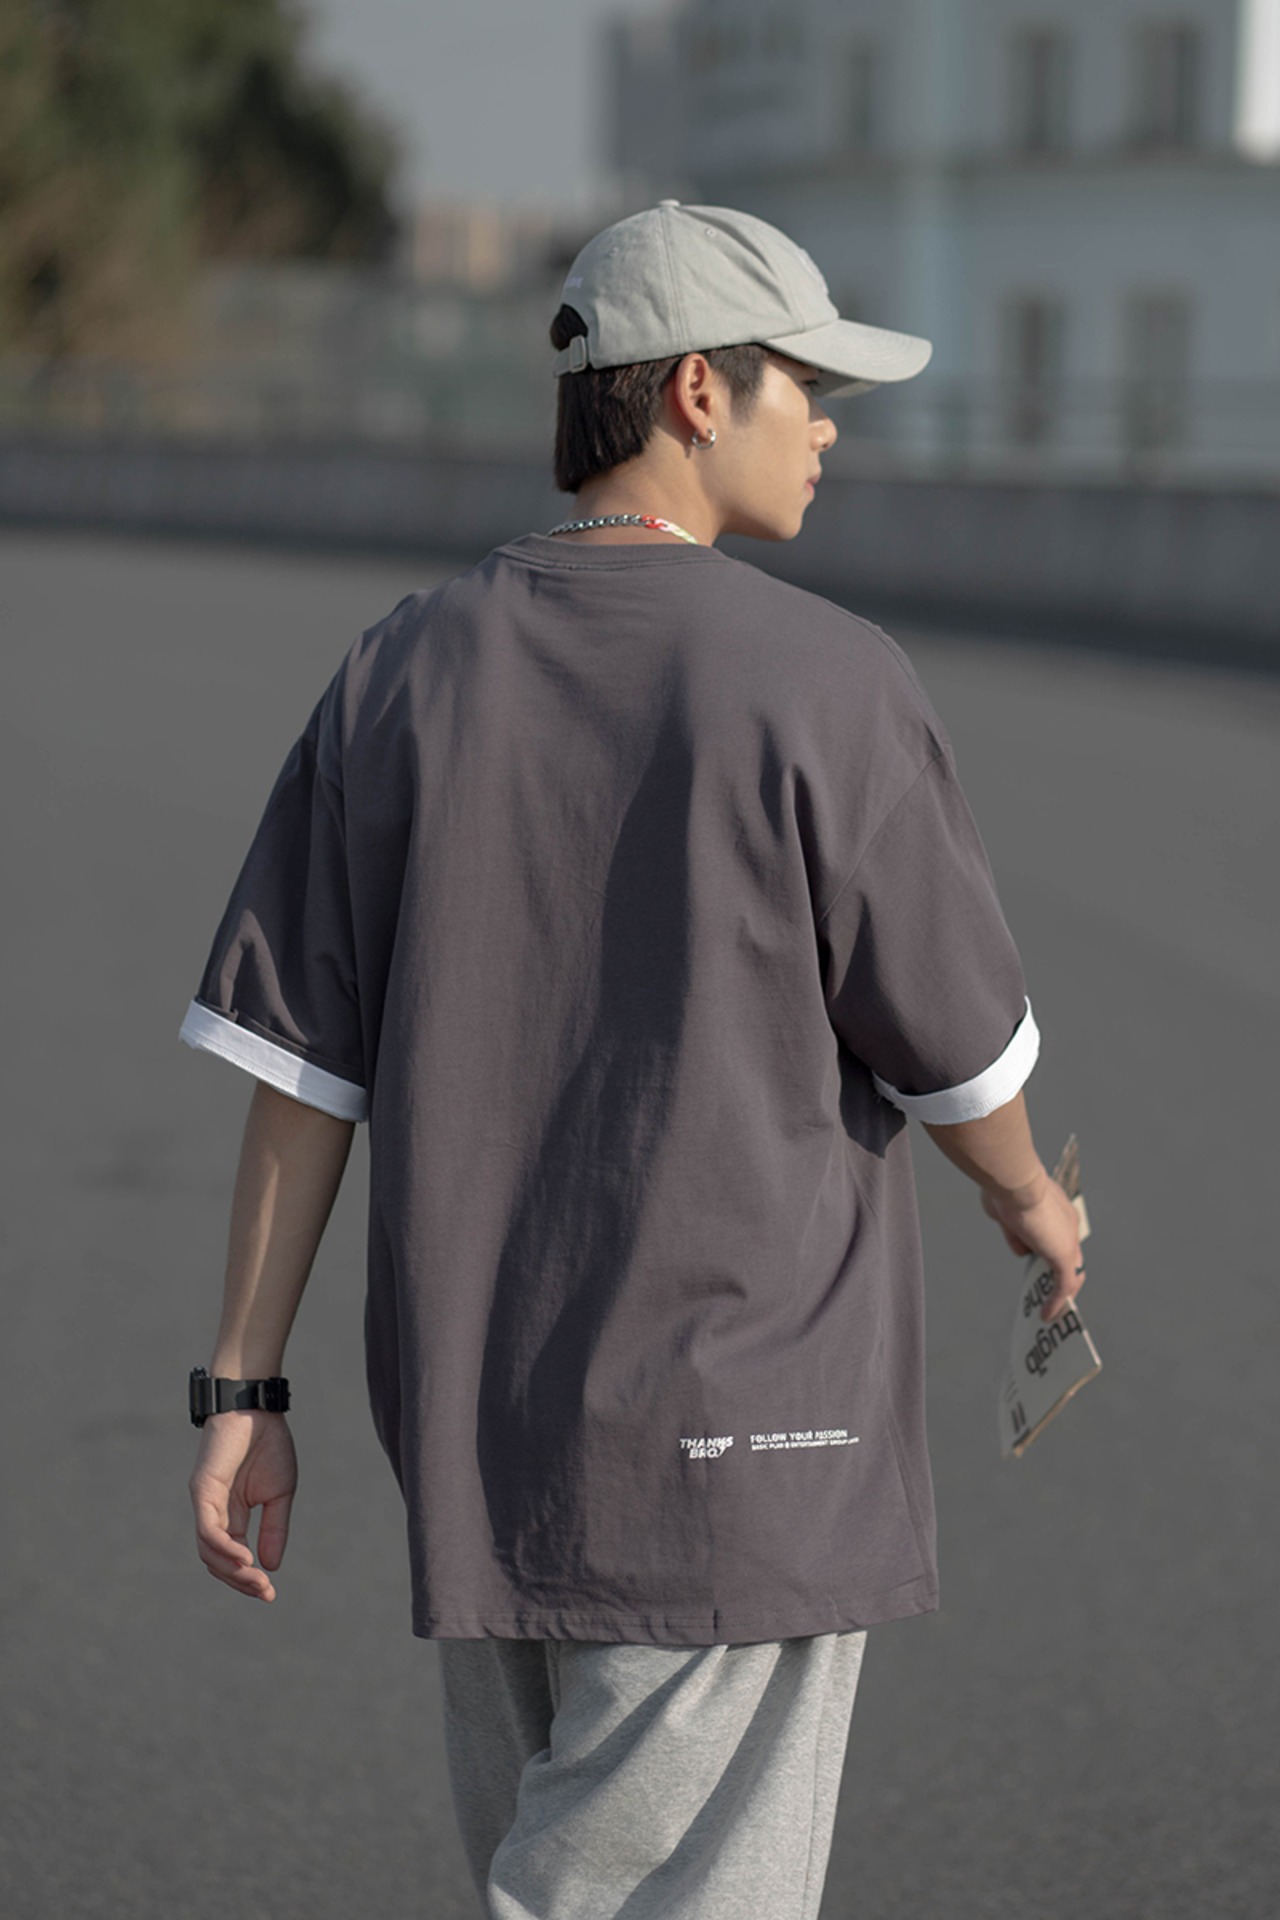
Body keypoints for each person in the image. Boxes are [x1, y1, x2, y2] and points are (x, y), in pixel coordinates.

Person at [182, 201, 1084, 1920]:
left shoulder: (397, 672)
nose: (828, 428)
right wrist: (1034, 1200)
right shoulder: (829, 678)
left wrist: (243, 1395)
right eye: (806, 387)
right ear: (695, 391)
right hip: (749, 1440)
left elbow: (297, 1067)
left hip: (486, 1439)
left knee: (556, 1867)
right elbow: (962, 1058)